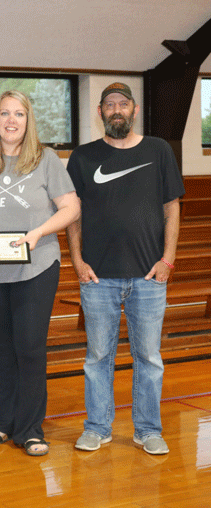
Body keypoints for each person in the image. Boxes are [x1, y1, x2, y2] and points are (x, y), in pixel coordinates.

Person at [0, 90, 80, 456]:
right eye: (5, 113)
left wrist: (39, 232)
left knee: (28, 348)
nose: (11, 121)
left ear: (29, 121)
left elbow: (71, 208)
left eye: (19, 114)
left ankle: (29, 429)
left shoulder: (46, 161)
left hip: (37, 269)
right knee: (1, 350)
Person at [66, 82, 184, 456]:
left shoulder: (159, 150)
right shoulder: (83, 157)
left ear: (134, 110)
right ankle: (97, 427)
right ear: (100, 112)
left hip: (149, 277)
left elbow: (172, 209)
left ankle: (147, 430)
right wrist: (77, 261)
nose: (117, 109)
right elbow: (72, 215)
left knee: (148, 358)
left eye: (123, 103)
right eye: (109, 104)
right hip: (97, 277)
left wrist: (168, 260)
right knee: (98, 357)